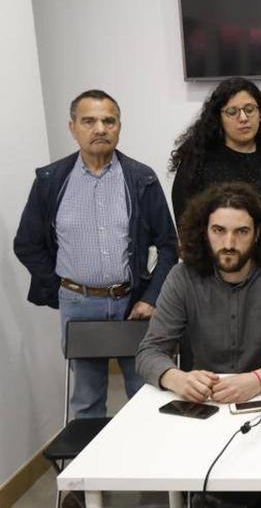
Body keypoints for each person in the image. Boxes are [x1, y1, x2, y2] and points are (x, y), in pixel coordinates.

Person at [14, 89, 178, 418]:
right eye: (89, 121)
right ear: (72, 127)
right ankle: (90, 470)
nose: (100, 128)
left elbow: (168, 245)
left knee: (144, 394)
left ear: (119, 126)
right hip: (78, 306)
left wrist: (151, 297)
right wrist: (61, 285)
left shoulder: (141, 179)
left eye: (108, 121)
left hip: (134, 304)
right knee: (87, 399)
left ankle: (143, 468)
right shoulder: (50, 181)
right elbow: (27, 243)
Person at [136, 181, 261, 404]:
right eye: (218, 230)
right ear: (204, 232)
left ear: (258, 233)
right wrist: (175, 378)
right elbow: (150, 351)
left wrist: (260, 379)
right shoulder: (182, 276)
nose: (229, 243)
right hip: (205, 401)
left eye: (241, 232)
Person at [171, 76, 261, 266]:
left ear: (260, 113)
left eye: (249, 110)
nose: (243, 118)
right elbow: (187, 224)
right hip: (217, 272)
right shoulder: (197, 164)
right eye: (232, 112)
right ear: (218, 118)